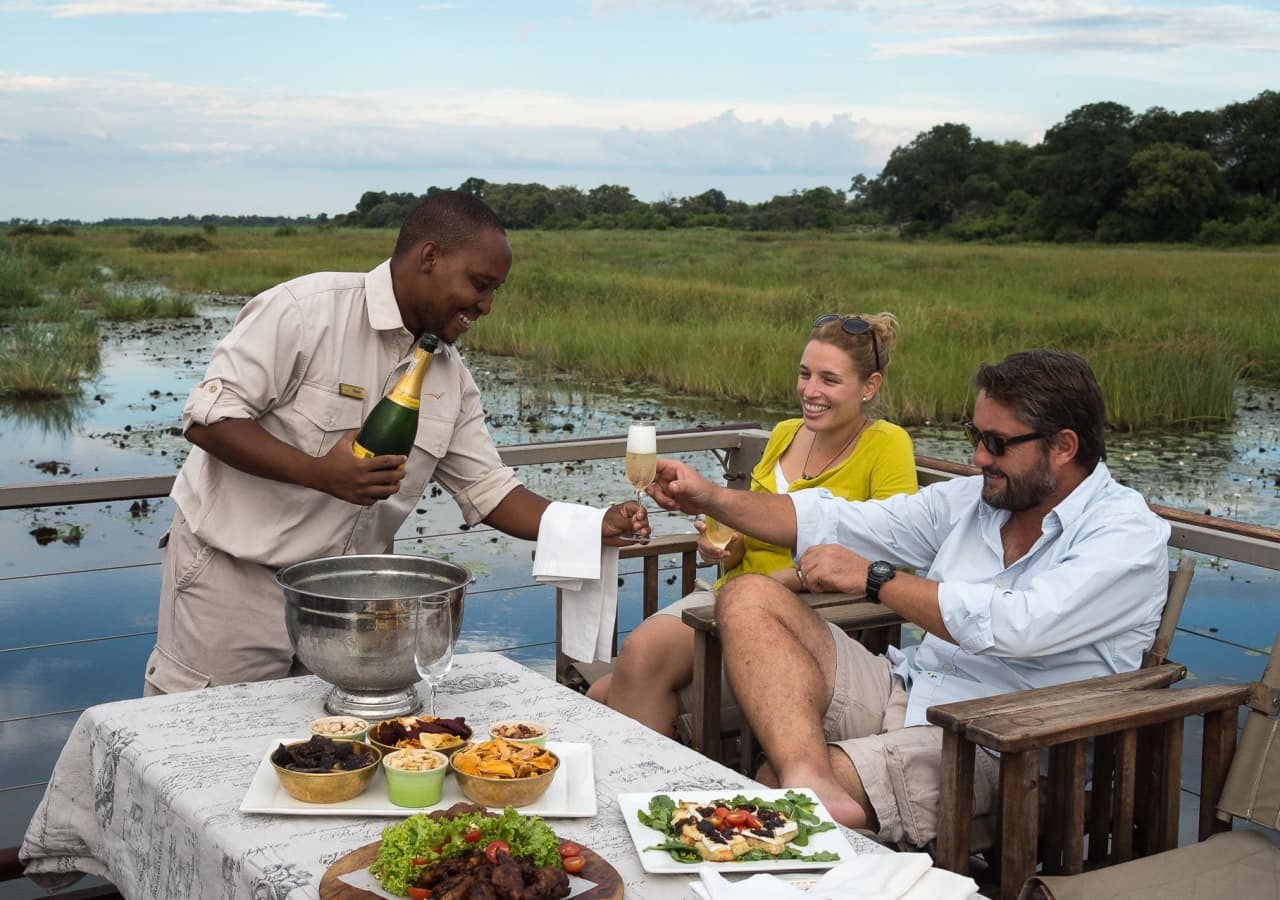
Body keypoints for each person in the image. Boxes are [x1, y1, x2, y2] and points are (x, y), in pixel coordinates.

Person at [647, 349, 1170, 847]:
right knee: (748, 596)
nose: (979, 456)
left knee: (773, 791)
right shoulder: (979, 499)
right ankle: (811, 778)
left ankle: (809, 795)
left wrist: (878, 580)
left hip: (1005, 740)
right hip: (912, 688)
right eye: (974, 434)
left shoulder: (1125, 535)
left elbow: (1019, 625)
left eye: (997, 442)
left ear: (1063, 446)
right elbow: (840, 521)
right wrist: (709, 496)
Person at [143, 191, 648, 696]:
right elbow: (208, 420)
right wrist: (320, 472)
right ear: (430, 257)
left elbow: (490, 491)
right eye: (479, 284)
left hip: (351, 606)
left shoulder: (451, 379)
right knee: (206, 747)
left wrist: (595, 525)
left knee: (329, 754)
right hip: (233, 588)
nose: (487, 306)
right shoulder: (306, 311)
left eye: (495, 291)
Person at [587, 313, 918, 737]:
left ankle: (666, 793)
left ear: (869, 386)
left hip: (809, 622)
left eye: (829, 380)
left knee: (612, 689)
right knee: (620, 674)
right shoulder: (784, 433)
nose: (810, 391)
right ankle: (668, 793)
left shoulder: (886, 445)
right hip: (730, 596)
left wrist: (791, 579)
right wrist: (724, 546)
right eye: (805, 374)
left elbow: (893, 558)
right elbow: (749, 533)